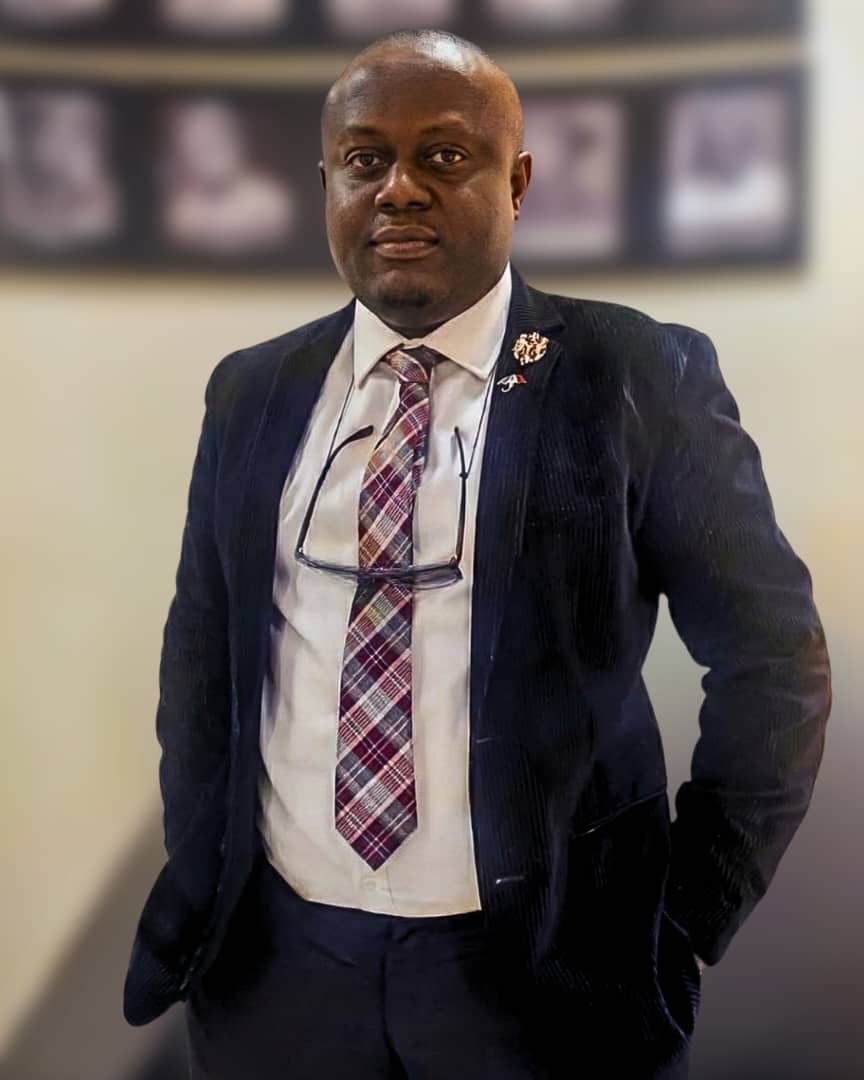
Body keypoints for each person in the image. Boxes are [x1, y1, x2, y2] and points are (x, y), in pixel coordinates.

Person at [122, 28, 831, 1080]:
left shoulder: (633, 371)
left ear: (519, 182)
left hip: (548, 976)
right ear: (328, 186)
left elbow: (775, 659)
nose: (399, 189)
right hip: (277, 966)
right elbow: (202, 649)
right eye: (365, 160)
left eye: (444, 156)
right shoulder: (253, 390)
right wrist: (202, 866)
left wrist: (685, 914)